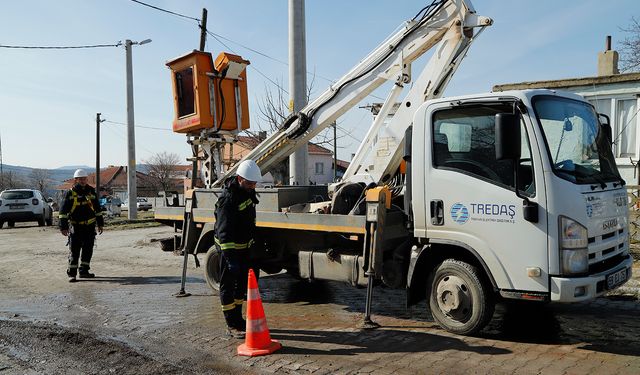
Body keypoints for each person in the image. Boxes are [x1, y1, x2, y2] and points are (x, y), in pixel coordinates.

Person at [214, 159, 261, 338]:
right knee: (228, 286)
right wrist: (230, 259)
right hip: (229, 251)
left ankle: (238, 319)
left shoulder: (246, 192)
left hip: (243, 249)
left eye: (254, 184)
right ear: (240, 179)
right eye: (249, 183)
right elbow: (224, 233)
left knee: (241, 286)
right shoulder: (227, 199)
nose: (252, 187)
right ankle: (231, 324)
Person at [59, 169, 104, 282]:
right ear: (76, 180)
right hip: (76, 226)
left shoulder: (91, 191)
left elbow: (97, 209)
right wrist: (63, 227)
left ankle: (84, 271)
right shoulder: (70, 193)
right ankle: (72, 274)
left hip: (89, 226)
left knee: (88, 250)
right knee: (74, 251)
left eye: (84, 179)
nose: (83, 181)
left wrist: (100, 224)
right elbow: (63, 212)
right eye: (81, 179)